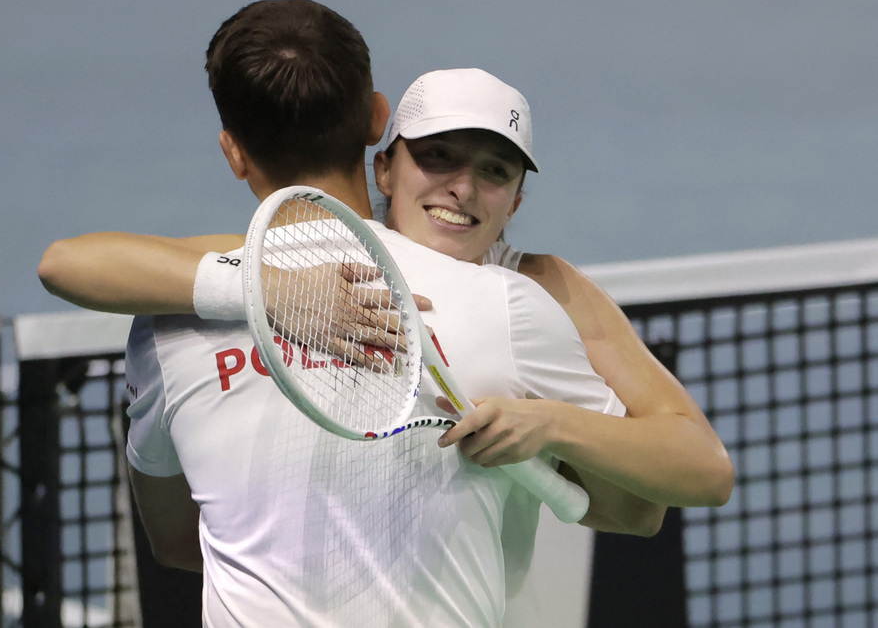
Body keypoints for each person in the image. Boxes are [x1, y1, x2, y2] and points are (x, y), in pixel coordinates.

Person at [42, 0, 635, 627]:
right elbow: (635, 510)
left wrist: (261, 290)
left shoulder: (166, 328)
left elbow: (176, 541)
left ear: (233, 151)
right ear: (378, 119)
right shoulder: (507, 302)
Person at [40, 67, 734, 514]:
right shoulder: (313, 251)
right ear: (385, 169)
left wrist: (550, 423)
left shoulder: (539, 290)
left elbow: (687, 477)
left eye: (494, 171)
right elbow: (73, 262)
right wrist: (270, 290)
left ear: (516, 201)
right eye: (438, 157)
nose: (462, 187)